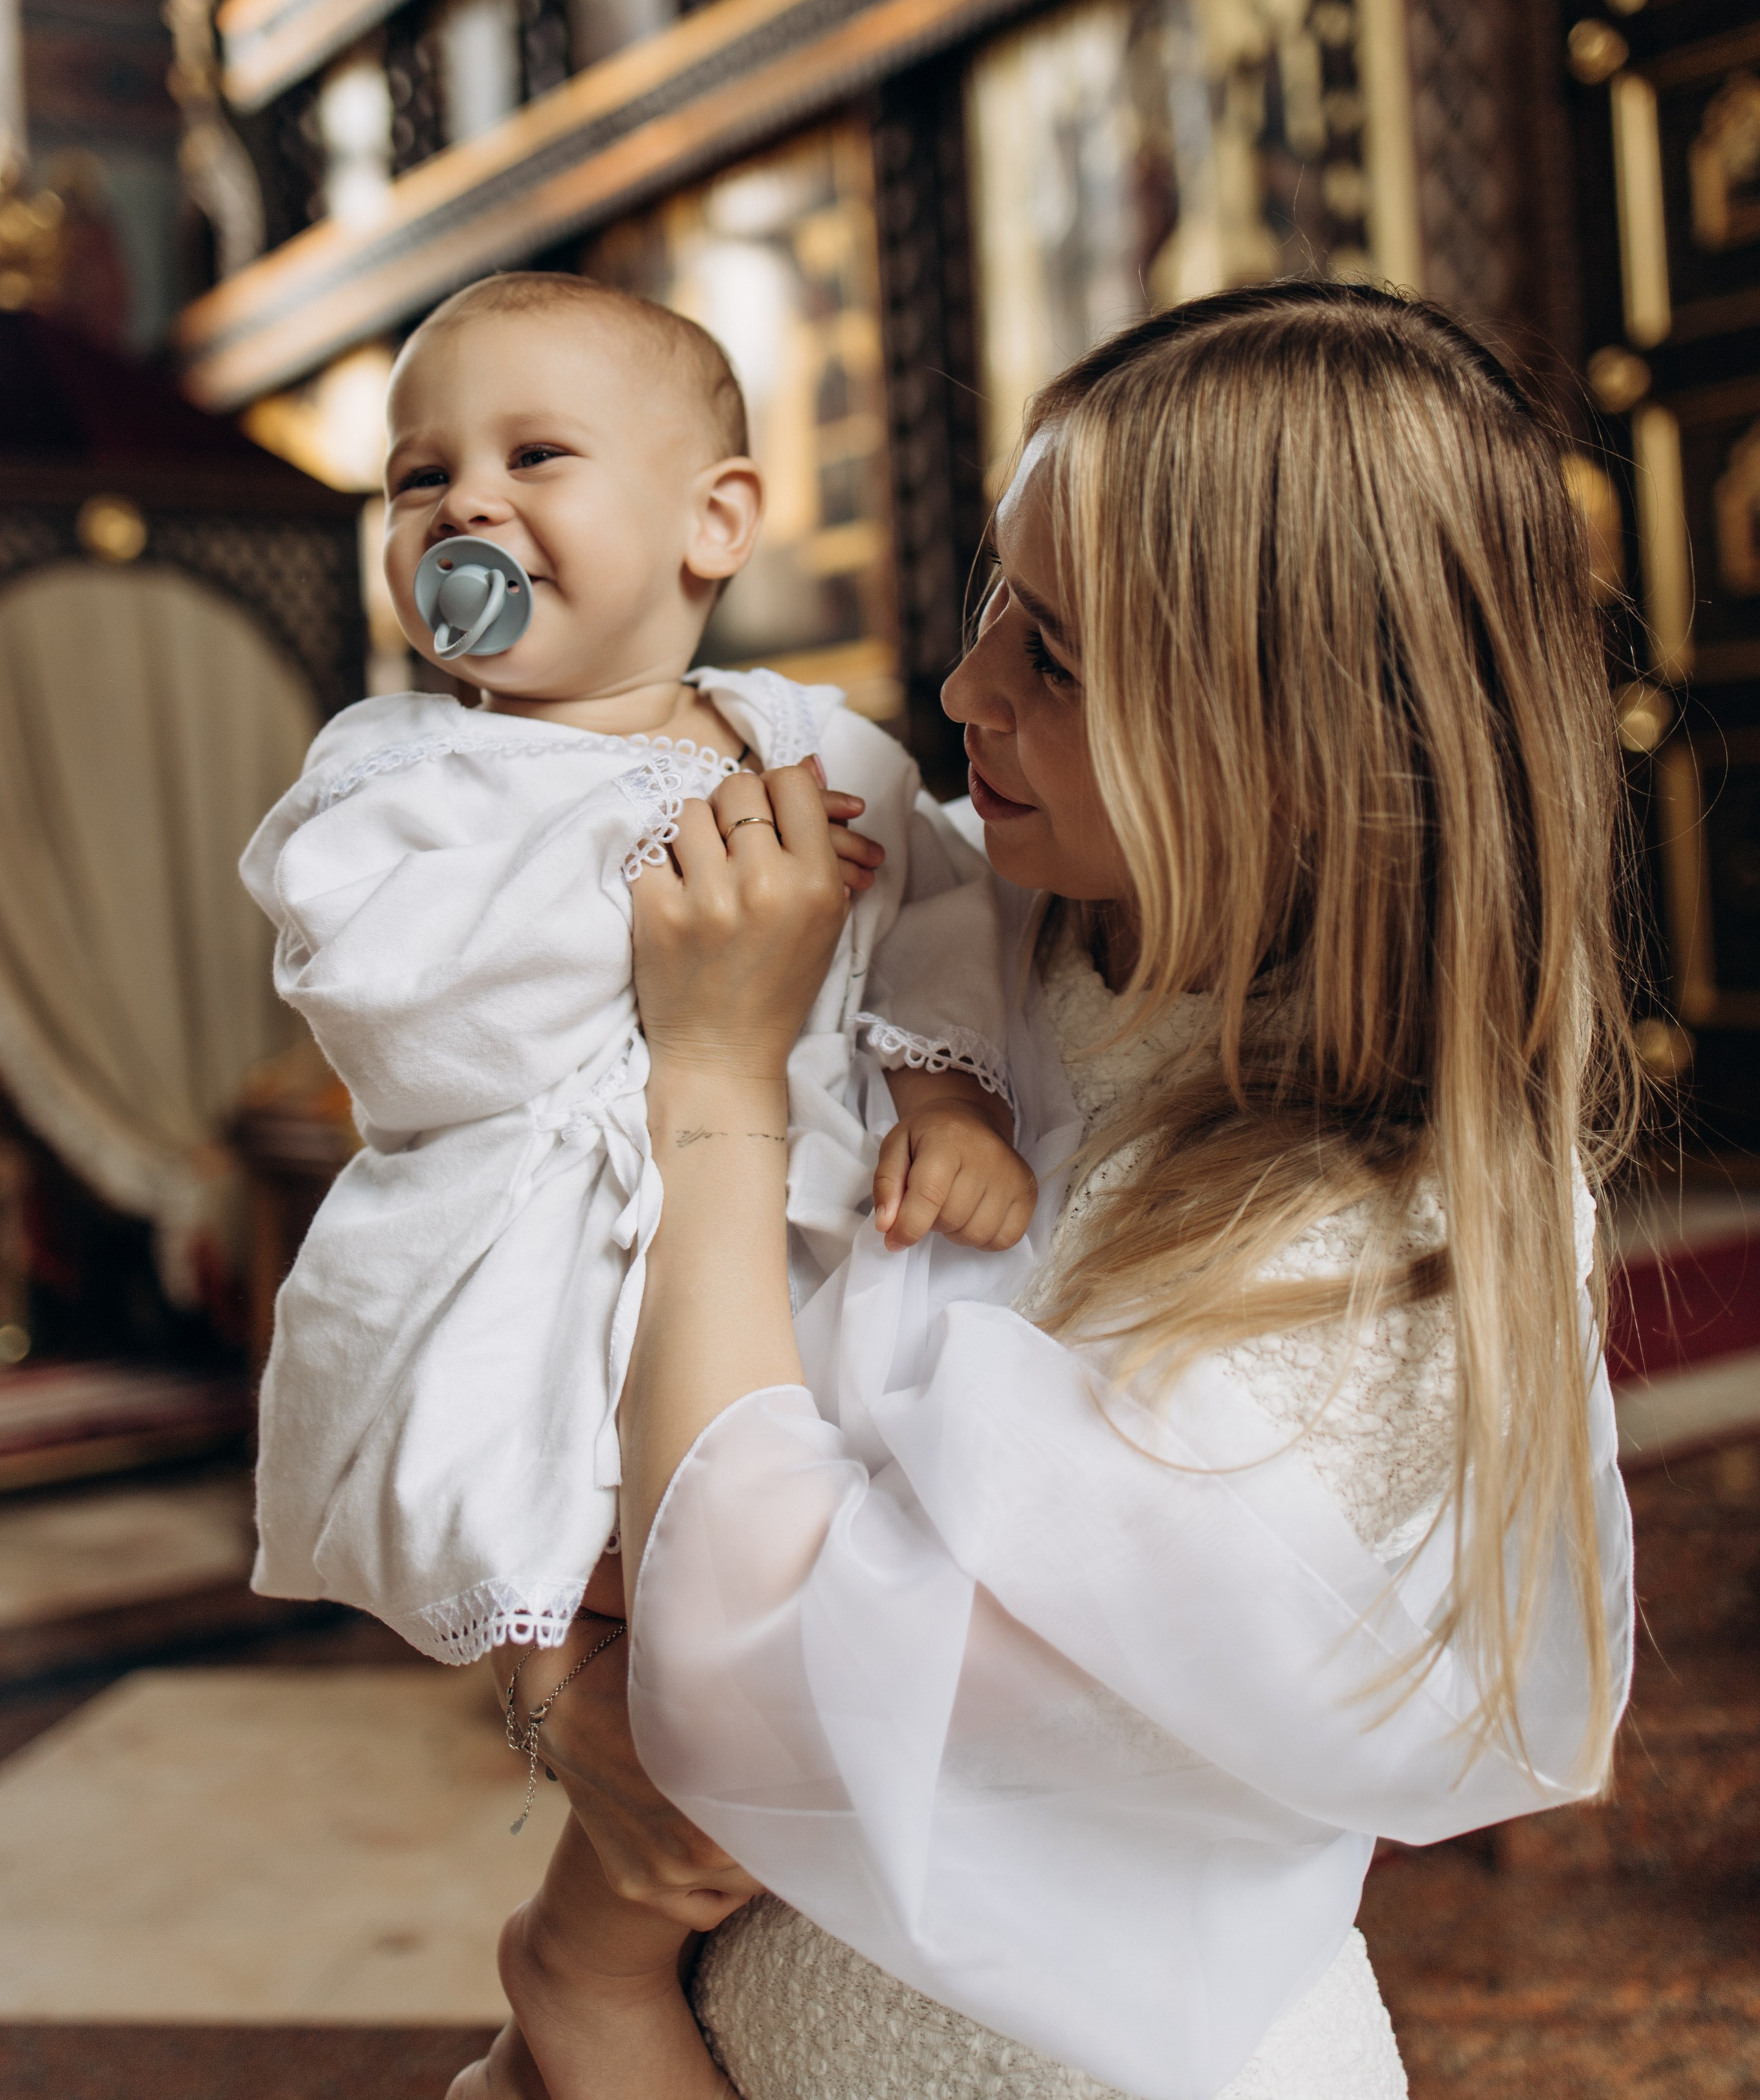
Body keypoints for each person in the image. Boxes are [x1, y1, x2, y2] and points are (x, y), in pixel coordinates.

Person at [496, 283, 1638, 2100]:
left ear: (1306, 744)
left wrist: (714, 1080)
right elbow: (550, 1388)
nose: (963, 694)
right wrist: (562, 1709)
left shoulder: (1382, 1238)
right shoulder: (969, 934)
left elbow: (748, 1681)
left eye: (1060, 659)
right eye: (992, 605)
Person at [236, 269, 1037, 2093]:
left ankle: (615, 1958)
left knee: (780, 1610)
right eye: (416, 476)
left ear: (713, 522)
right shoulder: (397, 773)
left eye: (535, 456)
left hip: (779, 1244)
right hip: (518, 1256)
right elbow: (388, 993)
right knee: (605, 1620)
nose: (465, 508)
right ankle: (584, 1926)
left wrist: (943, 1094)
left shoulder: (820, 750)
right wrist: (650, 884)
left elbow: (935, 925)